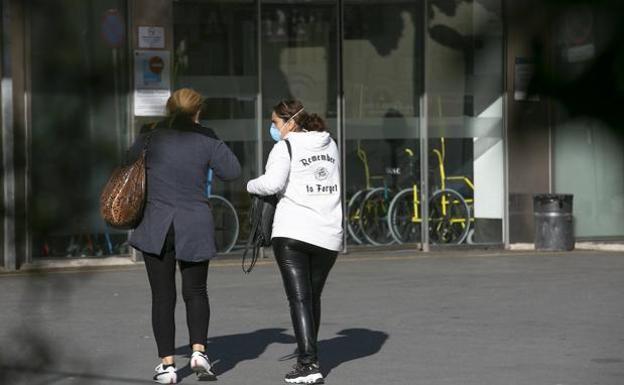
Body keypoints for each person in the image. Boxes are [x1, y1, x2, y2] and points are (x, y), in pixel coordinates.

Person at [128, 88, 241, 384]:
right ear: (198, 111)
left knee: (162, 296)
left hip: (156, 225)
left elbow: (125, 165)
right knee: (196, 292)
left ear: (168, 109)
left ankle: (167, 366)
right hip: (194, 223)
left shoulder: (150, 137)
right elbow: (232, 171)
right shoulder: (206, 137)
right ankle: (199, 352)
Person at [247, 100, 343, 384]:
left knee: (299, 298)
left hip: (293, 231)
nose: (274, 129)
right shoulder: (330, 144)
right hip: (327, 233)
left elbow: (272, 184)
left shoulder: (284, 147)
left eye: (275, 123)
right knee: (312, 297)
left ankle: (308, 364)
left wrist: (249, 185)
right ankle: (310, 357)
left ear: (289, 122)